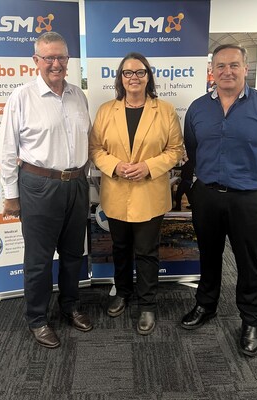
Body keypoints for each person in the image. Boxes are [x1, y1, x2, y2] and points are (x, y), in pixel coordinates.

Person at [181, 44, 257, 356]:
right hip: (206, 197)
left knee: (248, 262)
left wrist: (253, 180)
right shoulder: (198, 108)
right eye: (220, 66)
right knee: (208, 255)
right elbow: (193, 149)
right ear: (212, 71)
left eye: (233, 65)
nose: (226, 71)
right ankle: (206, 306)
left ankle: (251, 319)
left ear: (246, 69)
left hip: (248, 199)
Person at [0, 32, 93, 349]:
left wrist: (87, 178)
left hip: (76, 184)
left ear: (68, 60)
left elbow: (86, 141)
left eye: (61, 57)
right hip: (39, 185)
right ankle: (37, 318)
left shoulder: (79, 95)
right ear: (36, 61)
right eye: (49, 58)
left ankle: (70, 306)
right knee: (38, 260)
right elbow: (7, 149)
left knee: (72, 254)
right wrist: (11, 195)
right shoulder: (21, 97)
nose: (56, 64)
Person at [89, 52, 183, 335]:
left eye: (140, 72)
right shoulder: (107, 110)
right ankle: (122, 293)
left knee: (146, 251)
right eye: (127, 73)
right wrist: (116, 165)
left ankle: (147, 305)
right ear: (120, 78)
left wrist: (148, 167)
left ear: (148, 76)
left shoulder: (164, 110)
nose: (134, 78)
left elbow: (176, 150)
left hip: (149, 192)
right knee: (119, 248)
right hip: (116, 191)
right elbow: (95, 150)